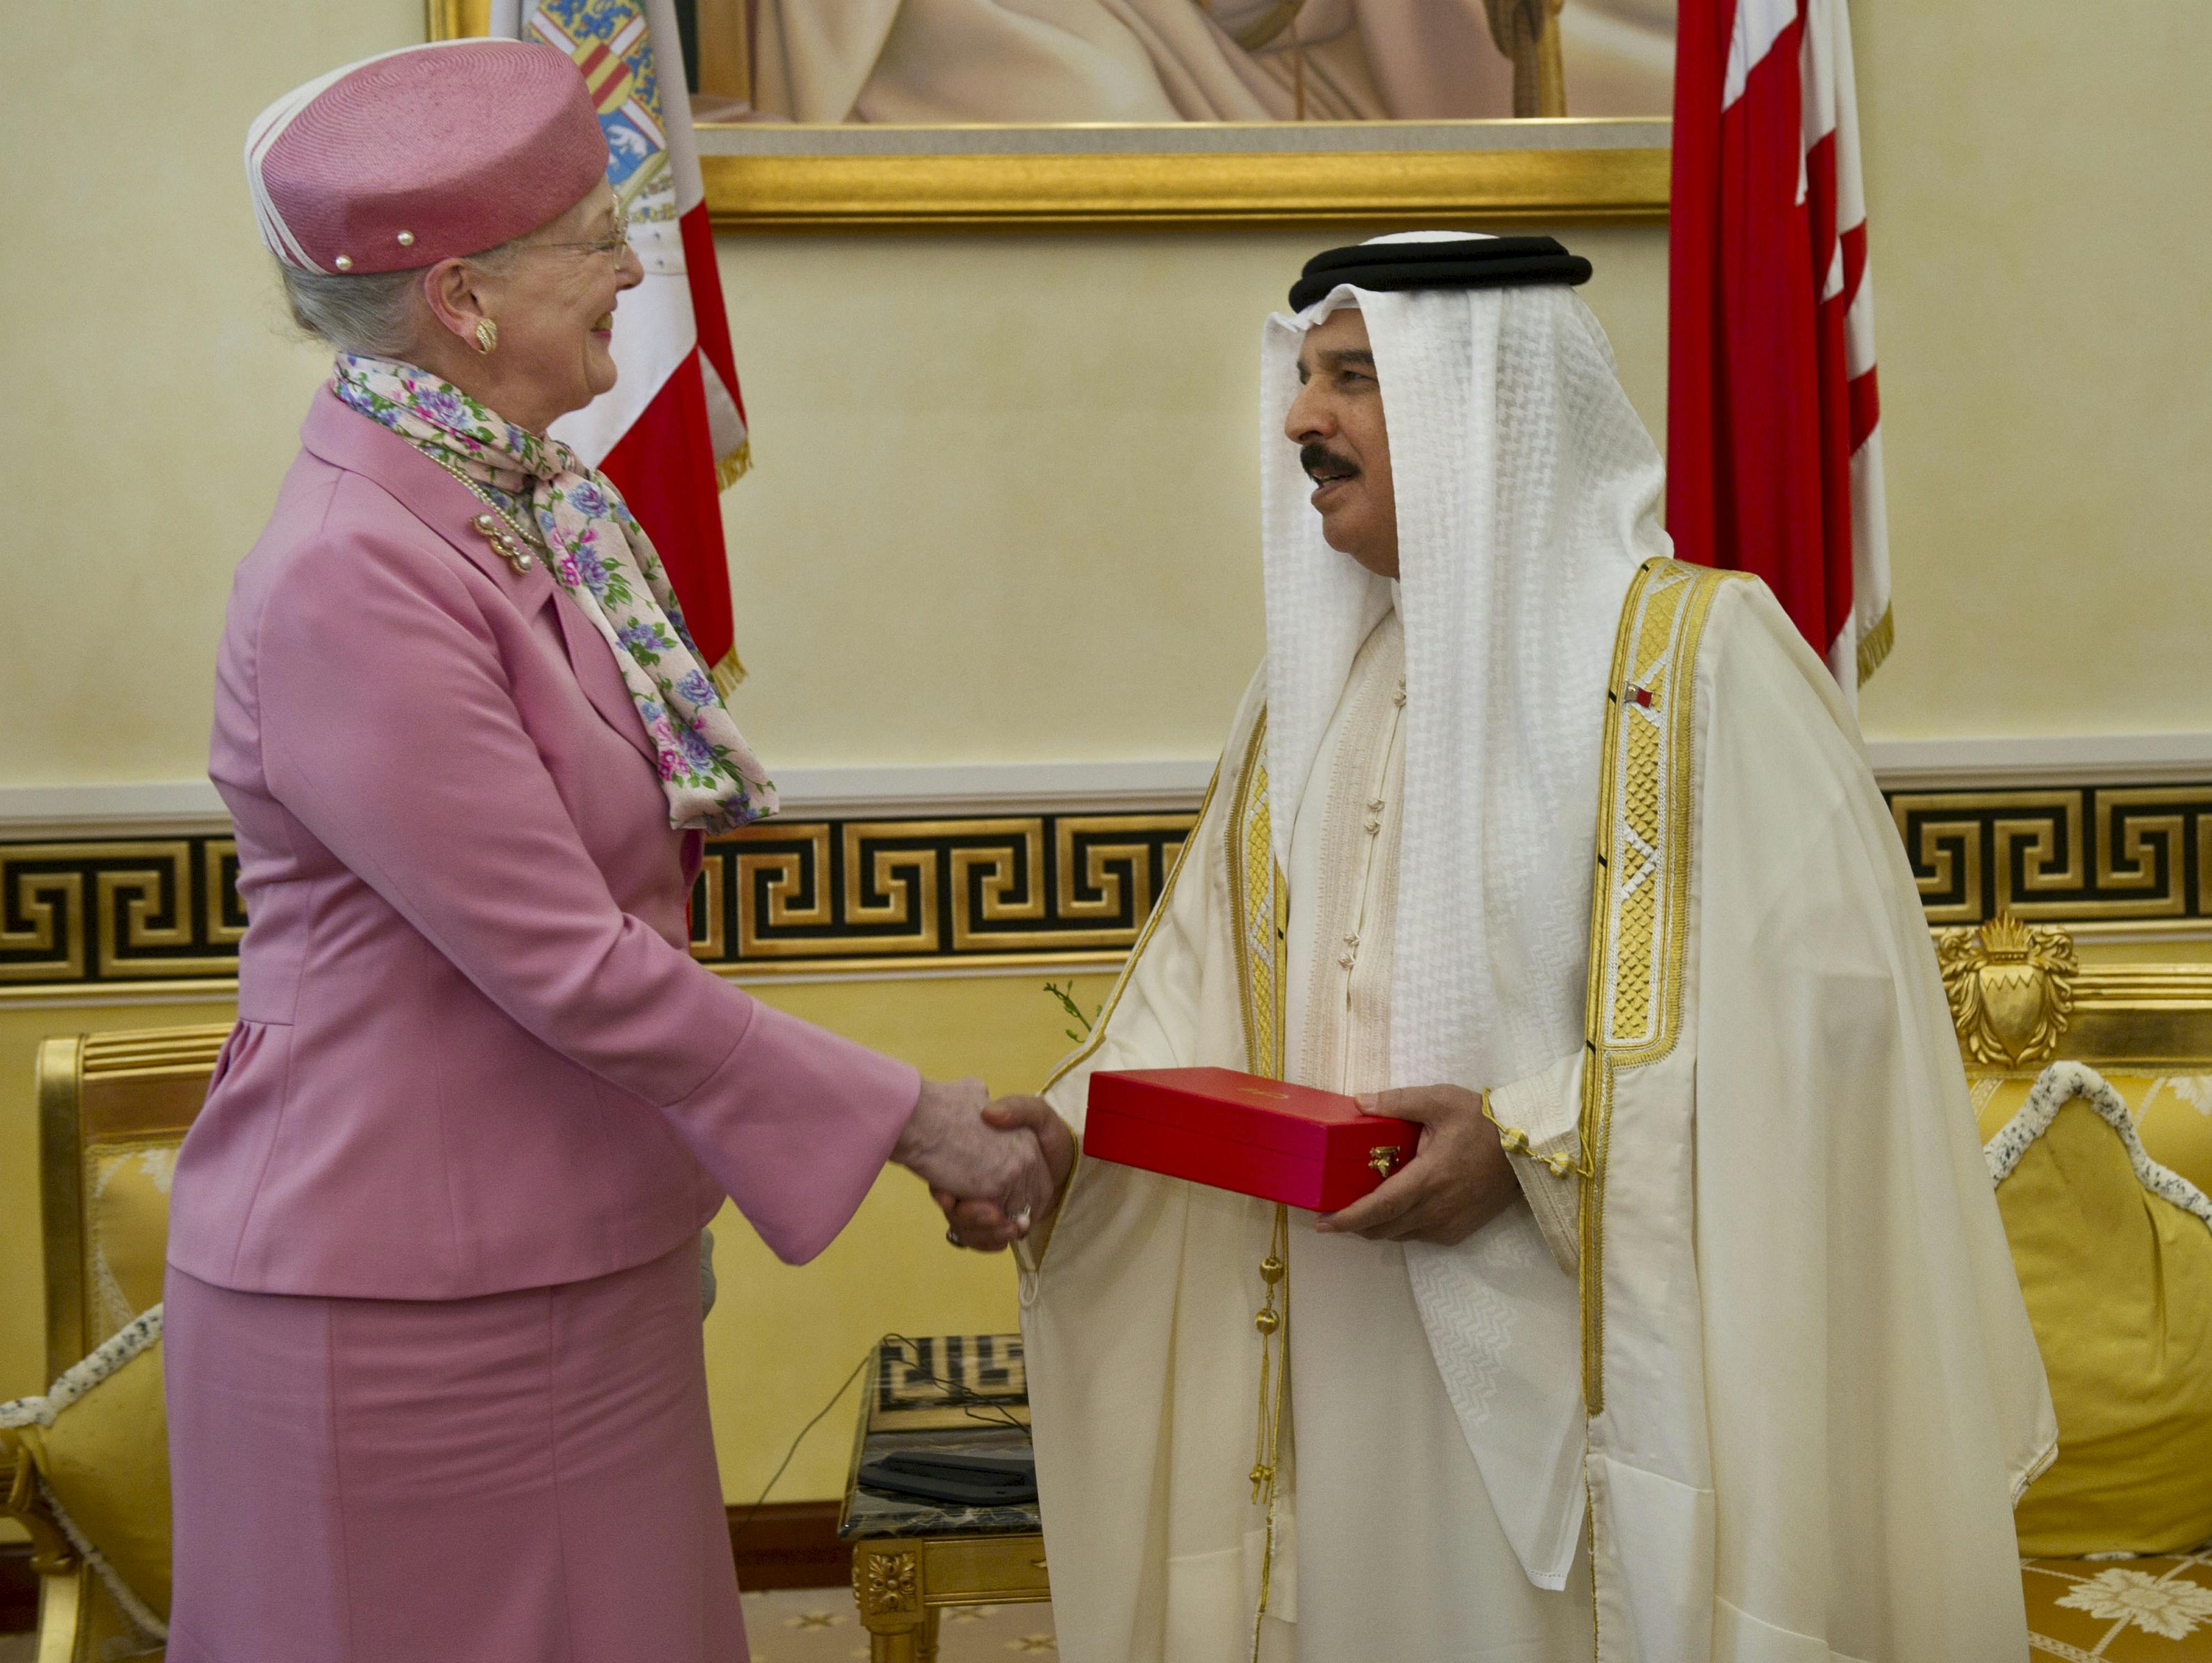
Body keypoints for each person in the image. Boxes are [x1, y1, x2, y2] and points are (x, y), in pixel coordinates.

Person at [942, 233, 2057, 1660]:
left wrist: (1528, 1150)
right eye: (1301, 380)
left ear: (1482, 403)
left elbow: (1818, 1047)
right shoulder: (1305, 693)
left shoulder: (1700, 668)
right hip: (1337, 1358)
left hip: (1588, 1381)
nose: (1299, 422)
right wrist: (1070, 1142)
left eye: (1352, 379)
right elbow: (1197, 1000)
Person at [166, 39, 1052, 1663]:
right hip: (401, 1319)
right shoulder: (350, 572)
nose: (636, 267)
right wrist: (910, 1118)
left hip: (572, 1261)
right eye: (593, 235)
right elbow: (564, 960)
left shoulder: (517, 510)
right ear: (463, 298)